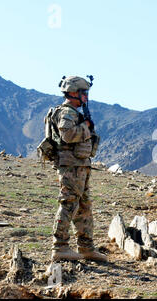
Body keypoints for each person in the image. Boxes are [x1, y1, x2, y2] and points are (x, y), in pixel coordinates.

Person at [50, 76, 107, 262]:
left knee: (83, 206)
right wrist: (86, 126)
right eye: (85, 93)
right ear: (74, 92)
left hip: (80, 165)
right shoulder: (67, 113)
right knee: (68, 204)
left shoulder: (74, 112)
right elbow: (67, 135)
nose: (86, 97)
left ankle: (86, 247)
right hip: (71, 166)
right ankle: (60, 247)